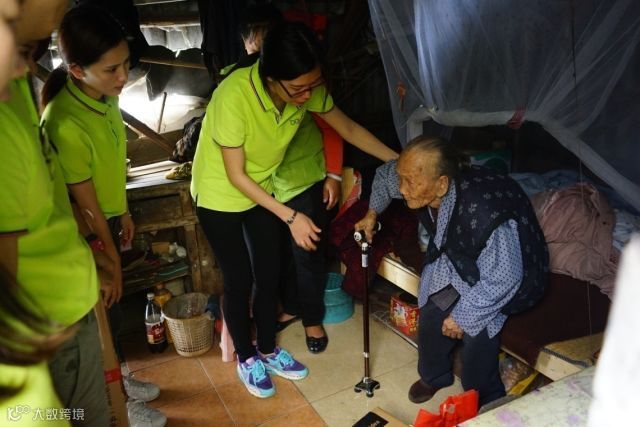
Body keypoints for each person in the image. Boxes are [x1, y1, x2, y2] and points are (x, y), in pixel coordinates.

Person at [191, 21, 398, 398]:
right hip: (220, 194)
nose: (307, 96)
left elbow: (349, 129)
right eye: (298, 89)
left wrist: (400, 161)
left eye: (313, 85)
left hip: (261, 190)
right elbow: (236, 175)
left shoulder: (306, 89)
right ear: (271, 78)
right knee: (239, 279)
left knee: (268, 273)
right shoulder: (233, 96)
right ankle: (247, 357)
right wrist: (290, 217)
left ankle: (268, 349)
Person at [40, 6, 166, 426]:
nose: (123, 76)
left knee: (112, 314)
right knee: (102, 321)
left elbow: (112, 163)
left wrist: (124, 211)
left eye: (126, 64)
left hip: (108, 220)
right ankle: (118, 404)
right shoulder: (64, 122)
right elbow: (86, 206)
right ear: (76, 70)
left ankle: (122, 385)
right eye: (112, 69)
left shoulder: (105, 96)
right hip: (86, 232)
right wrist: (107, 256)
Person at [355, 136, 548, 407]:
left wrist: (462, 317)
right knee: (431, 315)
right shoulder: (419, 181)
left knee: (477, 340)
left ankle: (485, 398)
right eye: (402, 178)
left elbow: (504, 278)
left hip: (506, 277)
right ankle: (434, 376)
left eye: (410, 182)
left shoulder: (484, 213)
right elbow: (385, 177)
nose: (402, 189)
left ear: (442, 184)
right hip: (459, 259)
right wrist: (372, 213)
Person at [0, 1, 112, 425]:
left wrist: (88, 249)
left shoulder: (17, 93)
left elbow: (52, 204)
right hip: (44, 325)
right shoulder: (54, 119)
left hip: (64, 310)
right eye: (25, 47)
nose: (24, 69)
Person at [227, 4, 343, 354]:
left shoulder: (302, 81)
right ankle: (285, 308)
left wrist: (334, 173)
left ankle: (311, 318)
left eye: (267, 37)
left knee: (307, 254)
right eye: (256, 38)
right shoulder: (237, 84)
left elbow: (335, 127)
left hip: (301, 180)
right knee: (269, 258)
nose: (260, 45)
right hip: (259, 188)